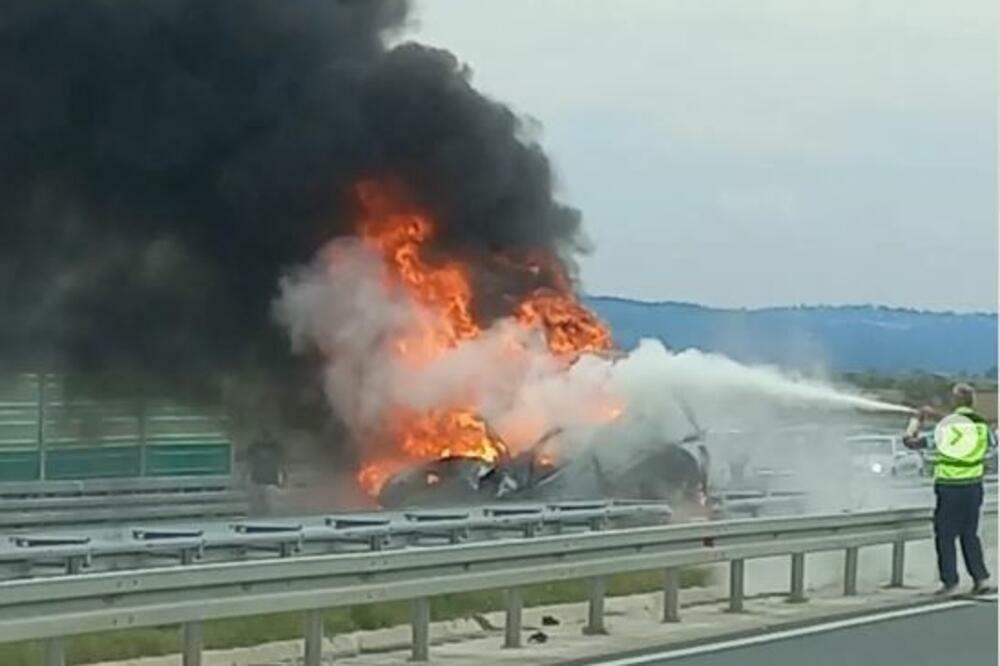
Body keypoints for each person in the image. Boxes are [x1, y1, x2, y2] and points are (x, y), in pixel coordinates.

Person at [930, 384, 993, 595]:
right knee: (969, 534)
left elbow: (920, 442)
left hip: (949, 486)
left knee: (945, 535)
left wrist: (915, 425)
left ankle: (950, 582)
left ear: (955, 401)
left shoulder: (946, 425)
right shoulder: (981, 424)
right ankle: (980, 579)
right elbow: (992, 445)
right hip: (973, 486)